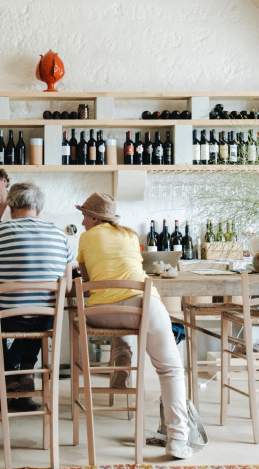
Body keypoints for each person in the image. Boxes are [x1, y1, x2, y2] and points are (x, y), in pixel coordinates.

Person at [75, 192, 192, 459]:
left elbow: (87, 278)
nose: (82, 222)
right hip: (143, 306)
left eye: (85, 216)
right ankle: (177, 439)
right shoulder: (130, 235)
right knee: (171, 368)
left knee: (118, 314)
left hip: (102, 313)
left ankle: (122, 360)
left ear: (95, 218)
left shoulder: (86, 237)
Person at [0, 182, 73, 410]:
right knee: (33, 317)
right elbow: (66, 288)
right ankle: (24, 374)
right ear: (39, 208)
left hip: (8, 318)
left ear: (11, 207)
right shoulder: (61, 236)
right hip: (46, 319)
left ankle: (7, 372)